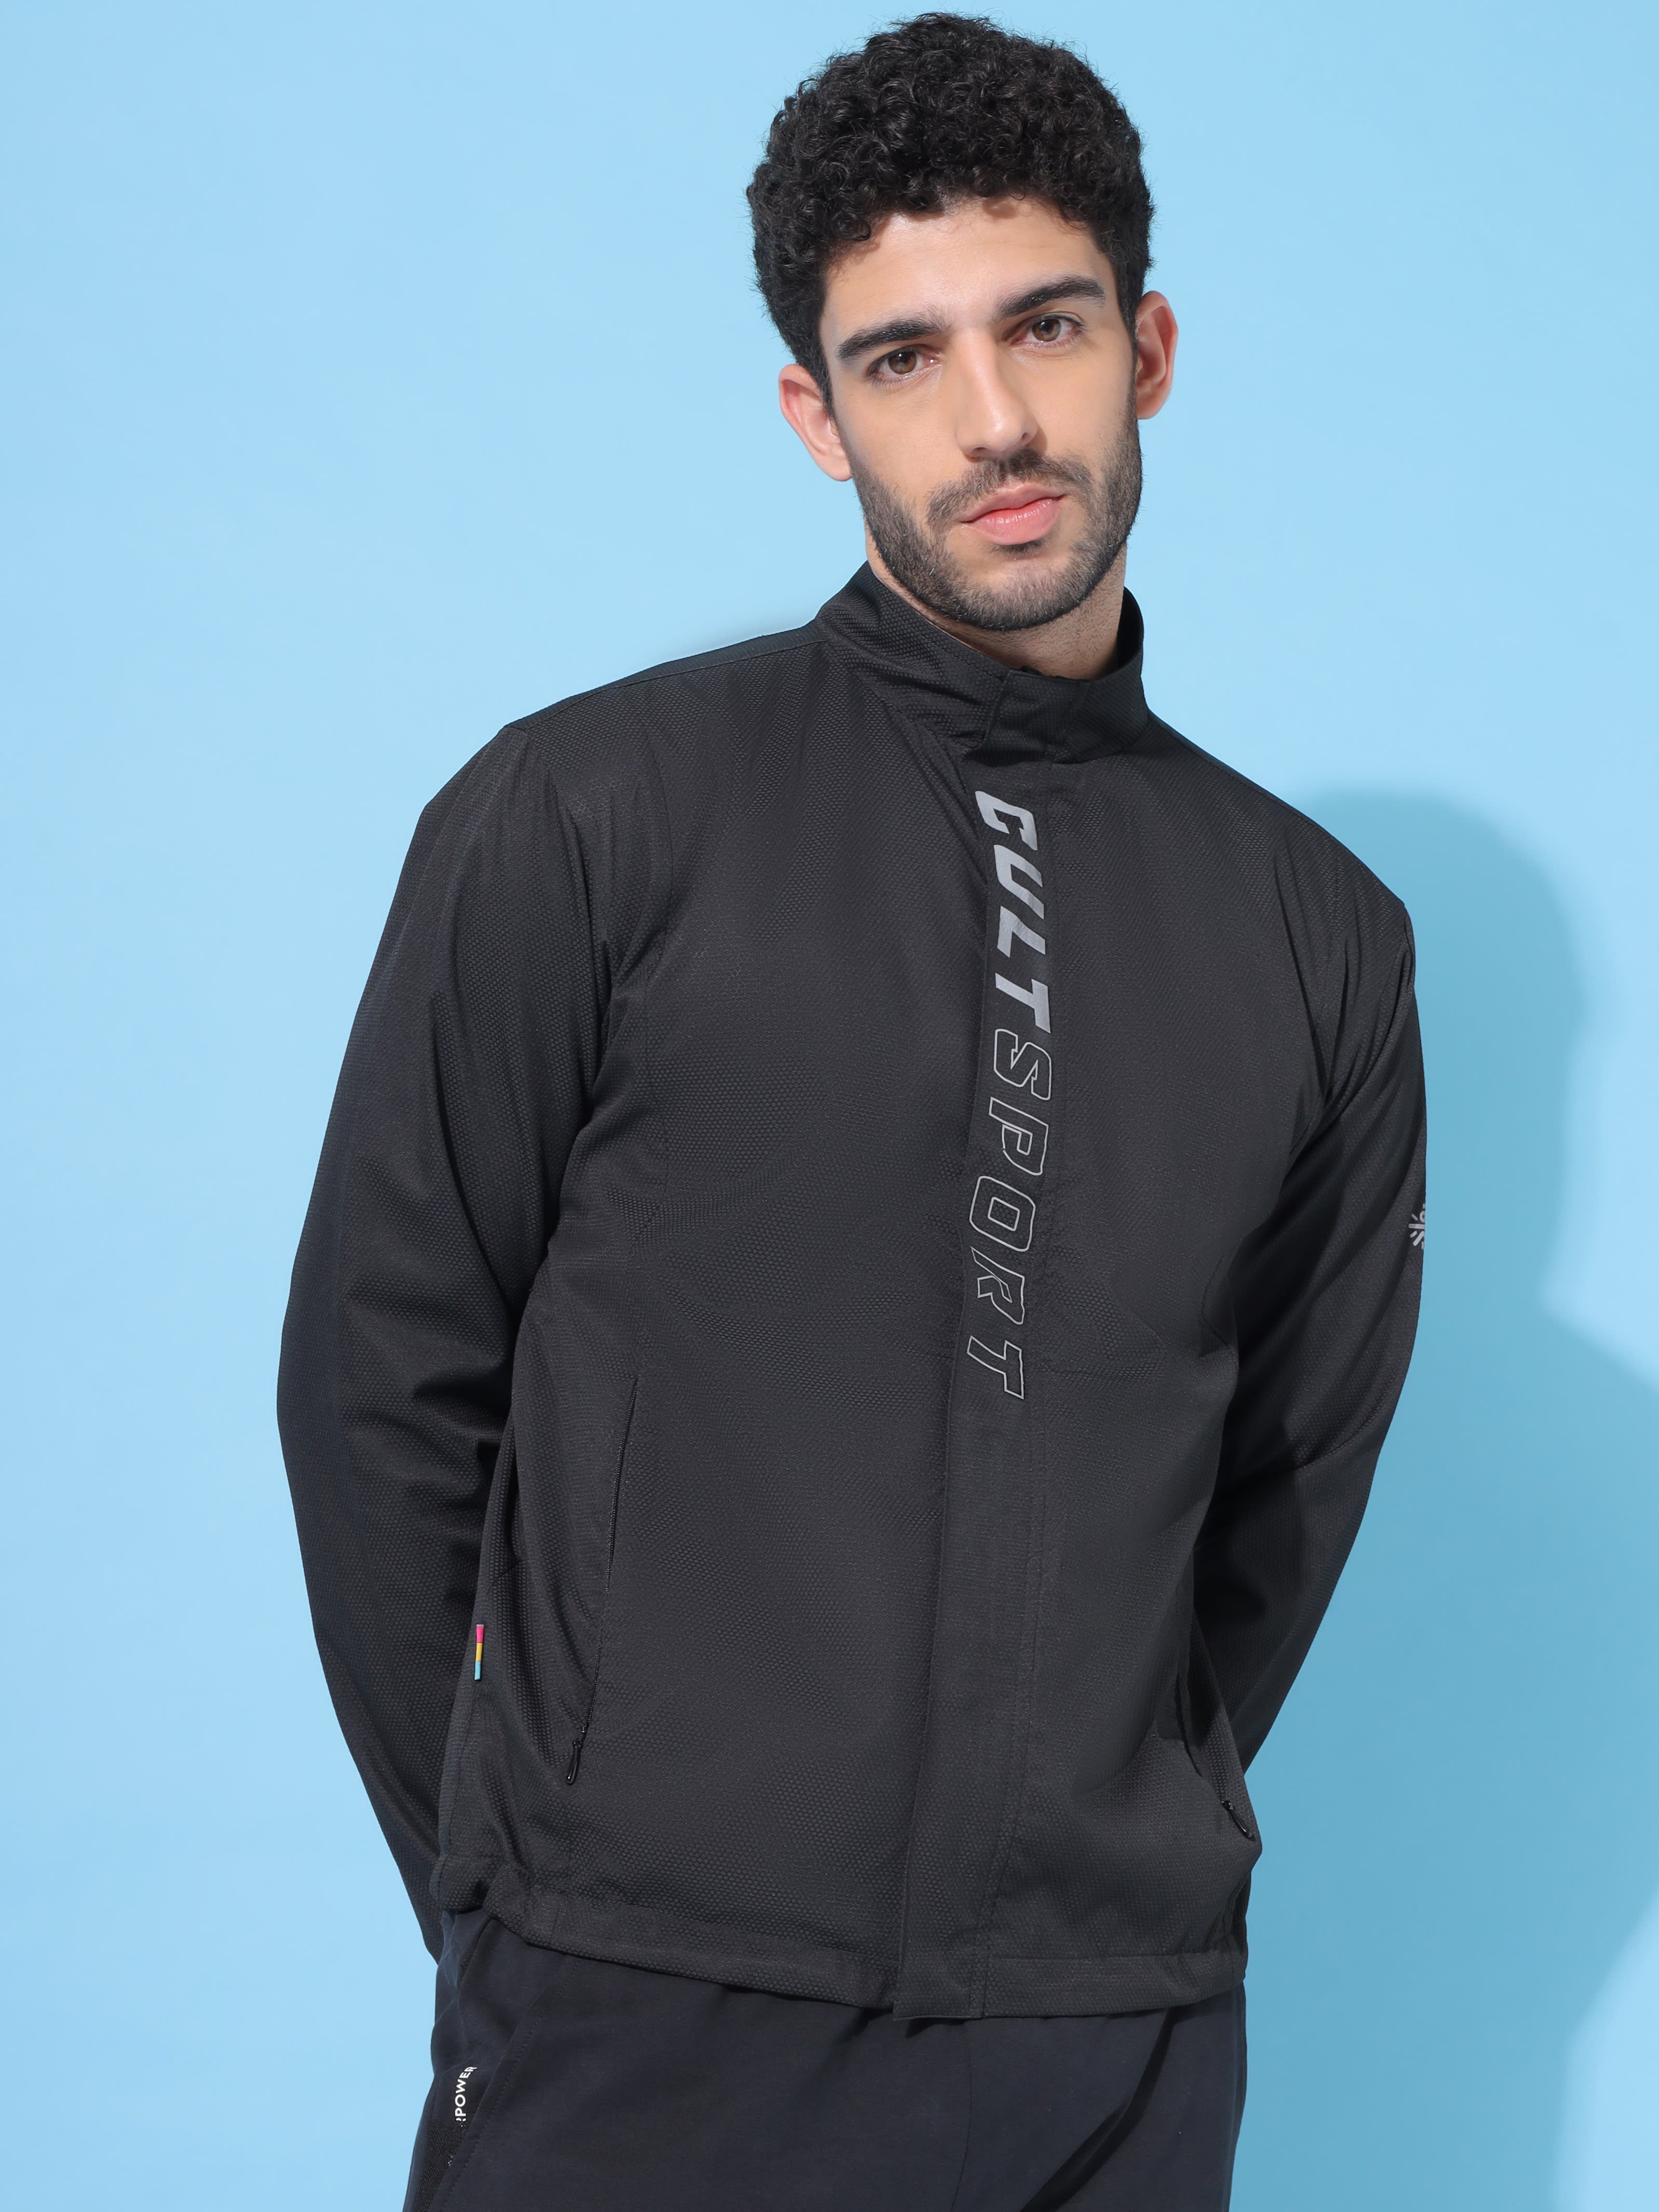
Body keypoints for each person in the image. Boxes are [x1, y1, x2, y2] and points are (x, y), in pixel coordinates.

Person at [278, 14, 1425, 2208]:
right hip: (633, 2014)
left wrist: (1092, 1853)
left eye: (1045, 326)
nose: (991, 419)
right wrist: (522, 1888)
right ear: (816, 414)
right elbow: (376, 1387)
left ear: (1148, 349)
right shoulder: (588, 811)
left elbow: (1283, 1487)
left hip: (1109, 2045)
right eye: (901, 358)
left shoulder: (1321, 939)